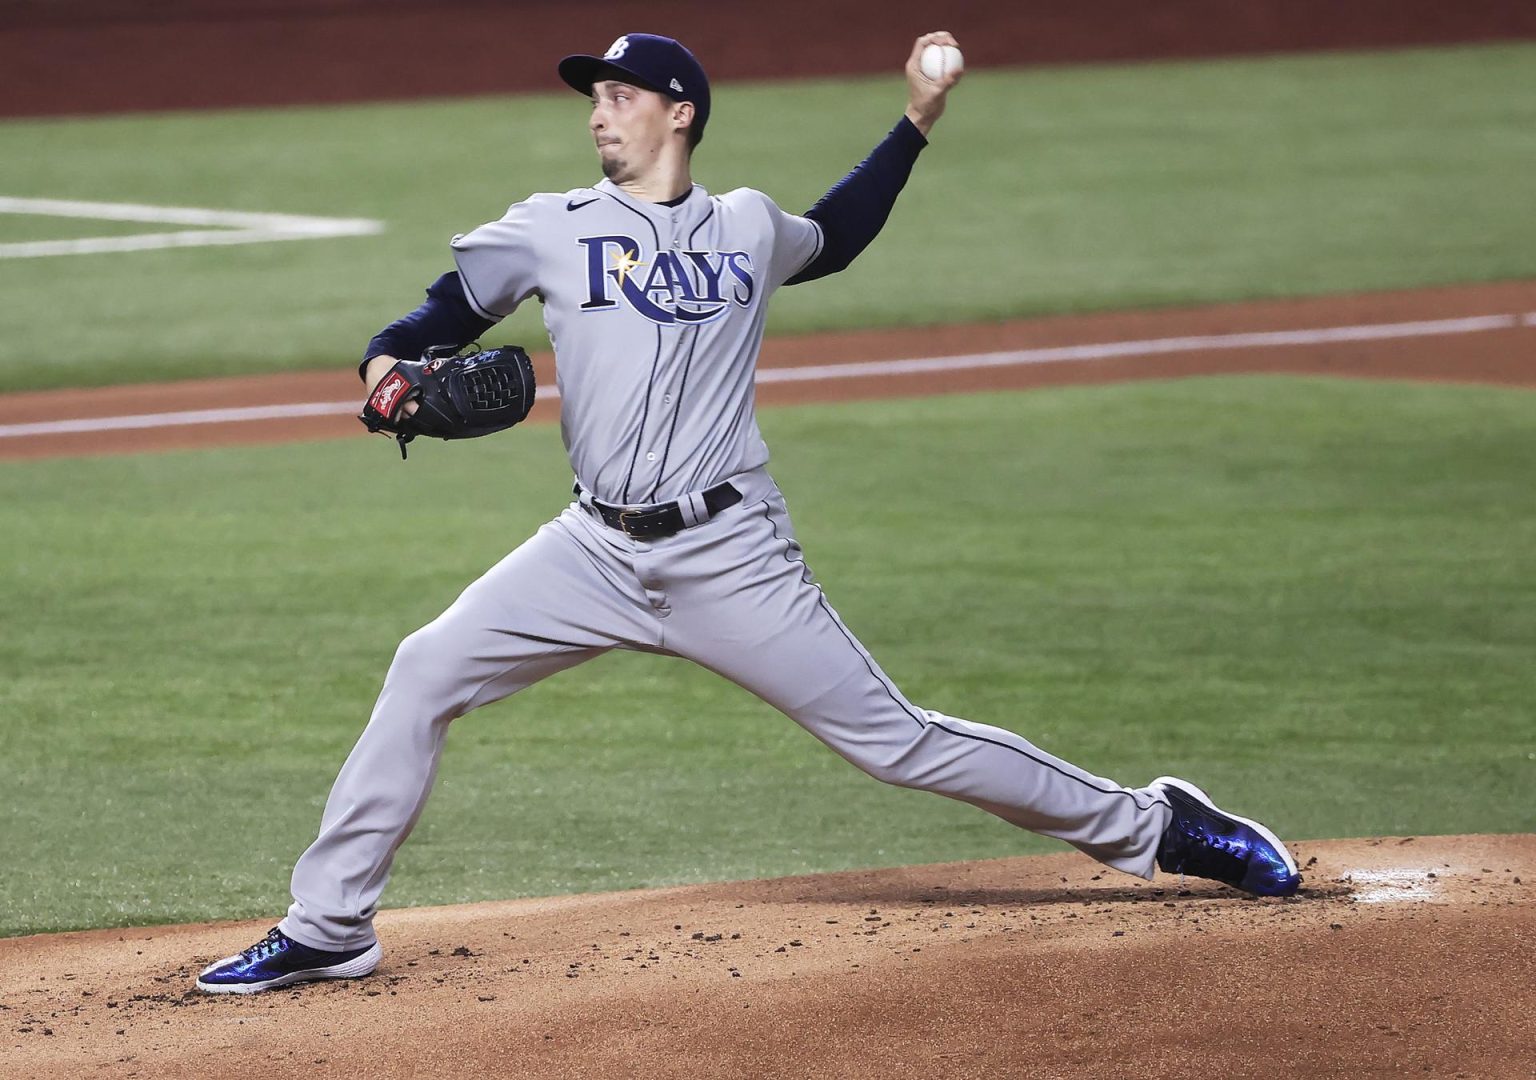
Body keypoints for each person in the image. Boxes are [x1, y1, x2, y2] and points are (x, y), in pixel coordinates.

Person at [196, 30, 1300, 995]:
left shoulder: (748, 228)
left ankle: (1161, 825)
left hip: (733, 554)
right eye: (592, 97)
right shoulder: (547, 228)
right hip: (590, 549)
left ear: (682, 112)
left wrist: (918, 117)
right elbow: (427, 320)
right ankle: (328, 927)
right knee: (425, 668)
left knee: (899, 744)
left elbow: (840, 233)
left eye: (620, 95)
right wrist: (388, 371)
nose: (599, 112)